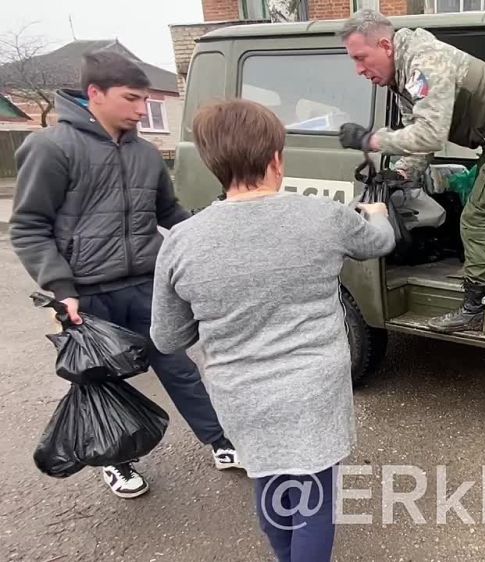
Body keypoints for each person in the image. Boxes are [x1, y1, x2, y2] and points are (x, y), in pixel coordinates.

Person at [149, 99, 395, 562]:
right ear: (277, 158)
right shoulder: (324, 216)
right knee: (313, 501)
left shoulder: (182, 241)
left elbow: (168, 338)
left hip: (241, 395)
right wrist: (378, 212)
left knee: (269, 479)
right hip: (313, 390)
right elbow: (380, 242)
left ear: (214, 163)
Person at [9, 51, 241, 499]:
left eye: (145, 100)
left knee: (178, 366)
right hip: (86, 293)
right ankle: (116, 460)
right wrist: (60, 287)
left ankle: (220, 440)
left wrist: (210, 237)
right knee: (101, 382)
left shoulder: (146, 154)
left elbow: (168, 212)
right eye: (132, 99)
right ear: (95, 94)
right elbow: (29, 226)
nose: (141, 109)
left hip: (145, 285)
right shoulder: (51, 148)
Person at [338, 8, 485, 334]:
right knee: (479, 201)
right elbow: (418, 137)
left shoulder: (424, 61)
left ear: (385, 46)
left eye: (361, 58)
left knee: (476, 216)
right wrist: (403, 174)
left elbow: (430, 135)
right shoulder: (403, 76)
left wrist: (371, 140)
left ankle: (474, 308)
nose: (359, 70)